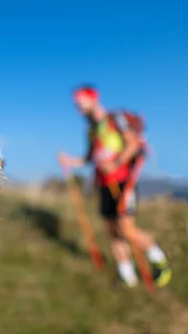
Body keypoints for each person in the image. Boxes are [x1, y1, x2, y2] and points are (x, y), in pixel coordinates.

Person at [58, 85, 172, 289]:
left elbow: (133, 145)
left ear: (93, 99)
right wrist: (71, 161)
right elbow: (90, 157)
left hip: (122, 181)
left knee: (126, 229)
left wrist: (117, 163)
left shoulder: (115, 119)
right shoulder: (92, 129)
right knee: (112, 231)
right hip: (103, 183)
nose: (78, 109)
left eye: (80, 103)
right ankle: (127, 278)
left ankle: (160, 261)